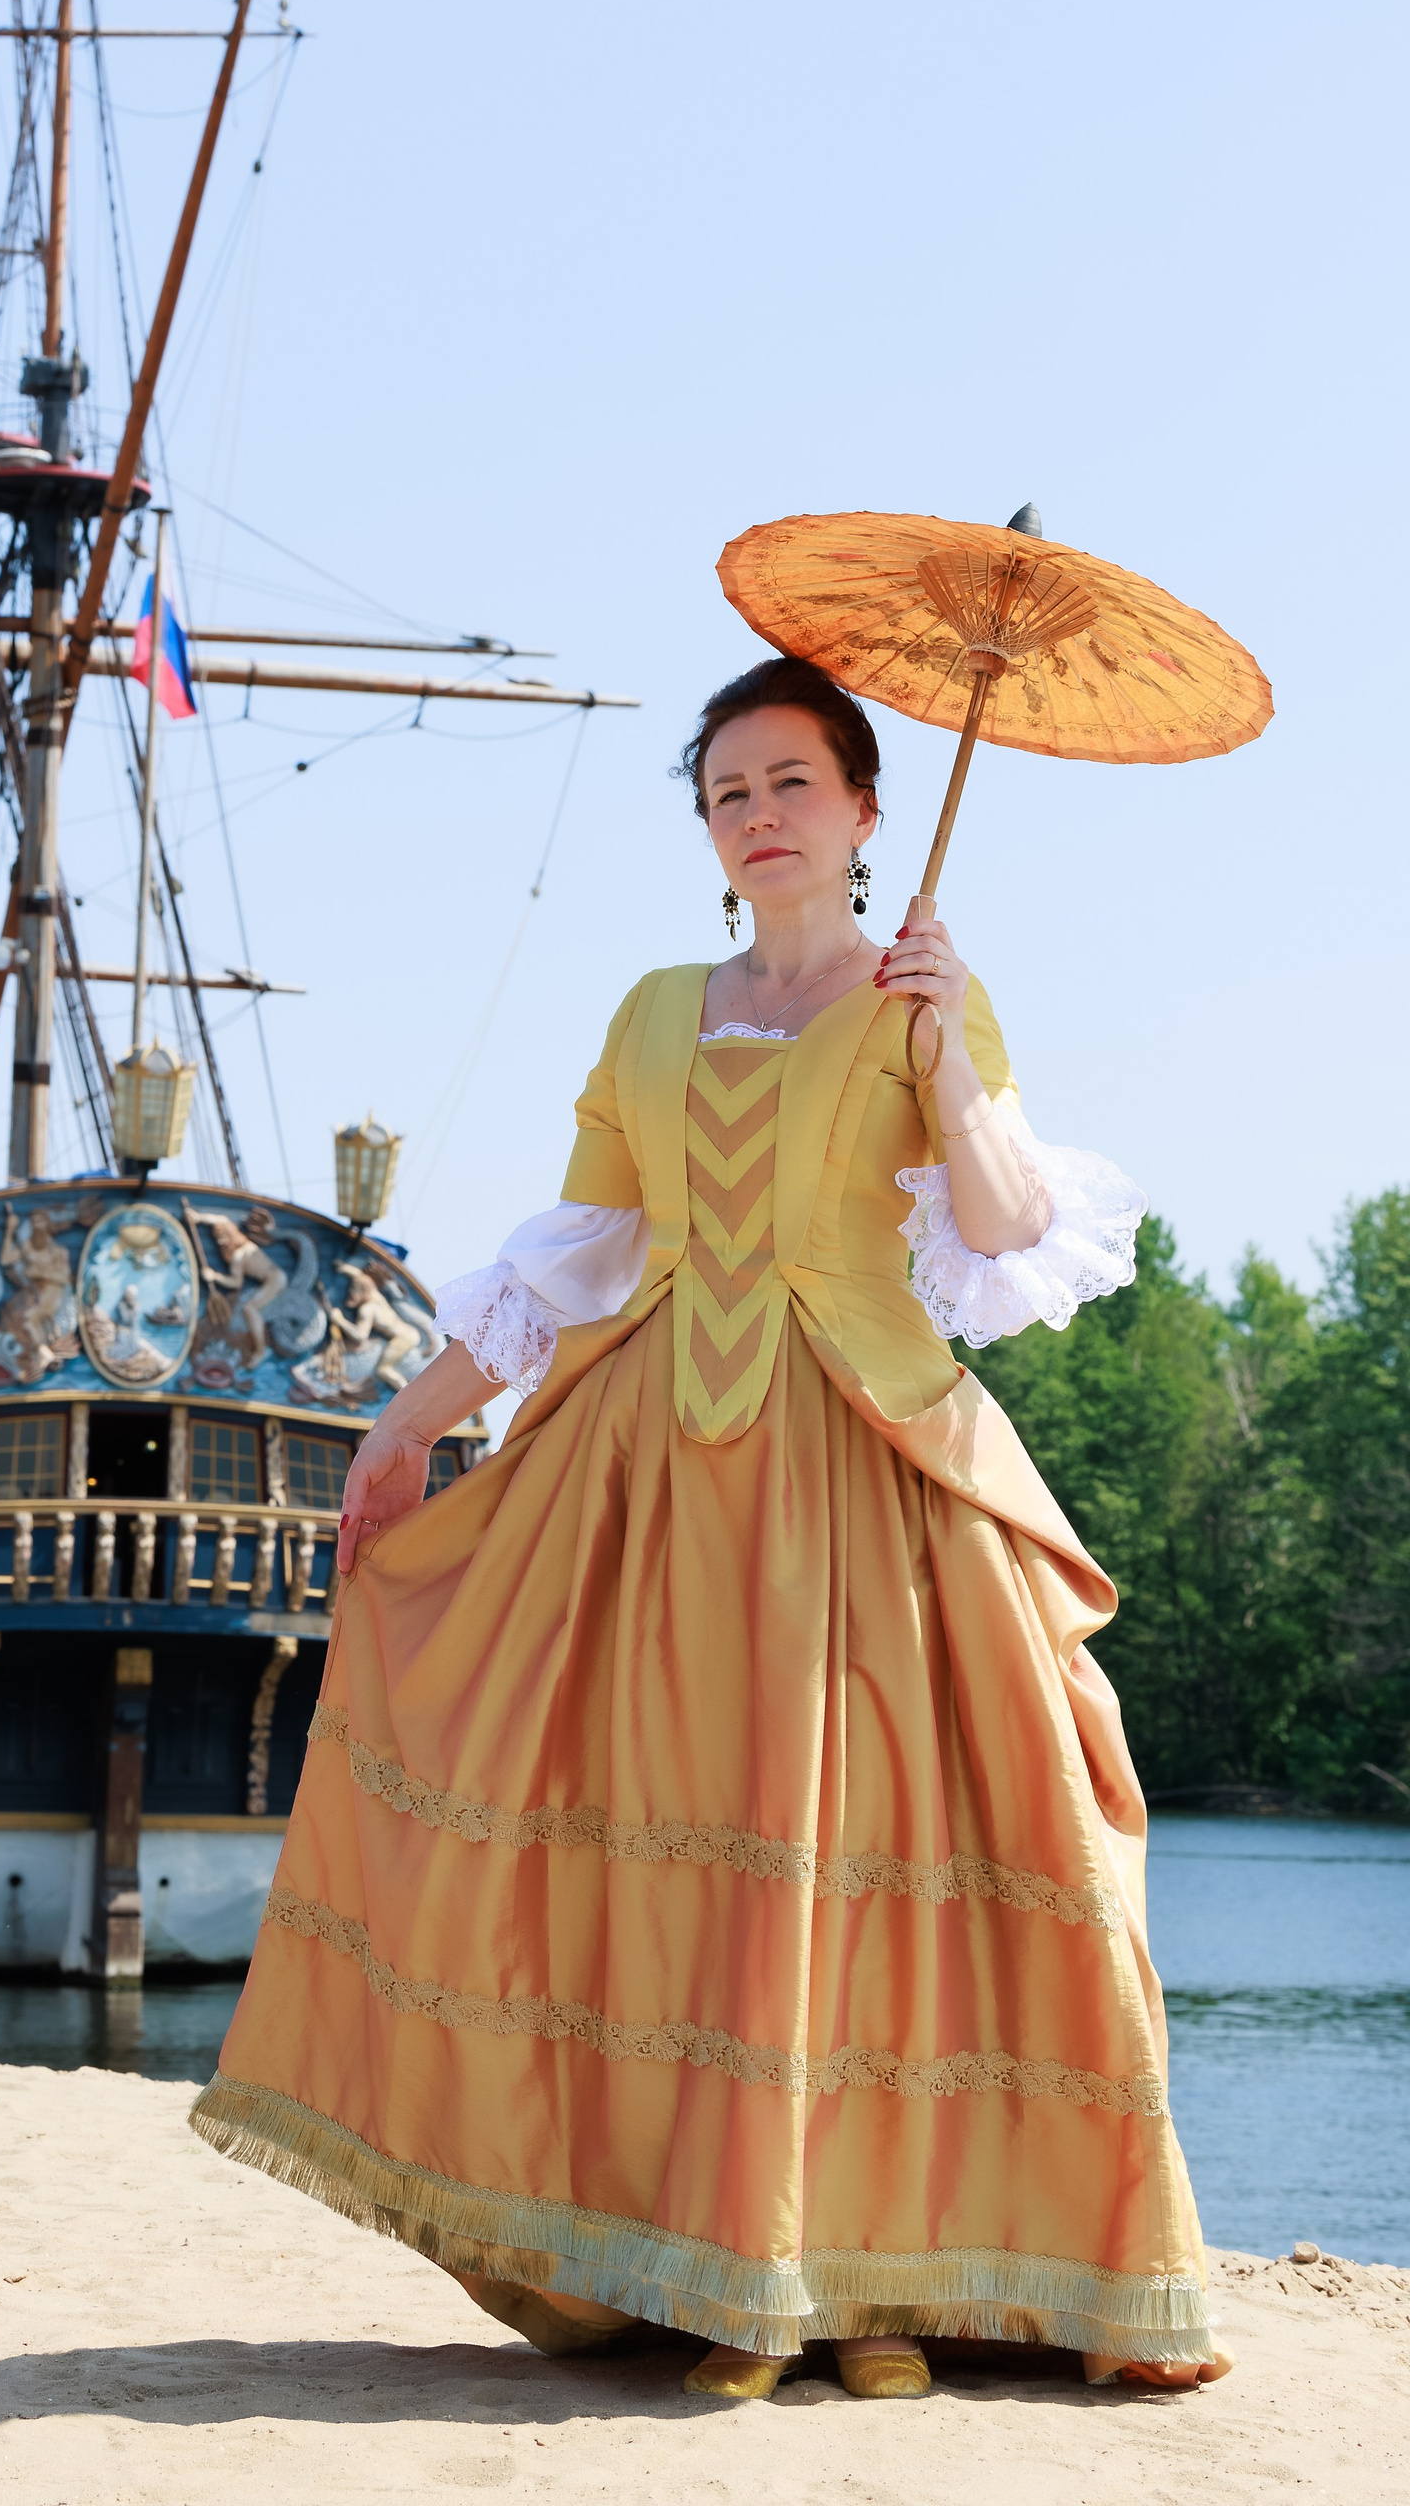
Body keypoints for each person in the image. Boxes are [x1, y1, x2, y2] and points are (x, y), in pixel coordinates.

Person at [191, 654, 1228, 2401]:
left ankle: (871, 2288)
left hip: (869, 1480)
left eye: (791, 781)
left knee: (885, 1868)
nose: (759, 814)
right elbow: (579, 1255)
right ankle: (714, 2272)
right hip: (651, 1482)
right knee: (669, 1877)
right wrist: (406, 1424)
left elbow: (998, 1234)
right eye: (728, 790)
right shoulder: (656, 1012)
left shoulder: (930, 1002)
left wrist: (949, 1055)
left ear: (865, 809)